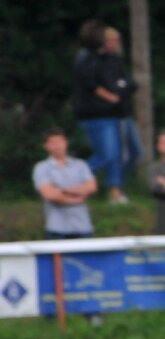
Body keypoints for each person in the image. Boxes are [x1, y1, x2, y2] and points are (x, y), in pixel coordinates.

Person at [72, 20, 126, 204]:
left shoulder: (102, 57)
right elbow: (90, 84)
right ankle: (74, 180)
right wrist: (111, 97)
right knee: (107, 154)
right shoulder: (86, 58)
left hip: (106, 113)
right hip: (93, 114)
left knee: (114, 154)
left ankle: (115, 192)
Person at [32, 128, 97, 239]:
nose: (57, 146)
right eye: (52, 143)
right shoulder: (41, 168)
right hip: (57, 228)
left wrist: (64, 190)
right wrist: (77, 198)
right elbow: (49, 194)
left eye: (60, 142)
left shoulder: (80, 165)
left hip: (83, 227)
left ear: (66, 142)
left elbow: (92, 186)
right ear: (46, 146)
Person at [100, 26, 141, 190]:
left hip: (124, 113)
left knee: (135, 153)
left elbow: (130, 84)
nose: (113, 44)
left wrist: (122, 86)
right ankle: (114, 189)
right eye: (110, 40)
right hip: (112, 115)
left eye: (116, 40)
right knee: (118, 154)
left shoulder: (116, 60)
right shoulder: (99, 63)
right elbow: (113, 87)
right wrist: (122, 86)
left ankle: (116, 184)